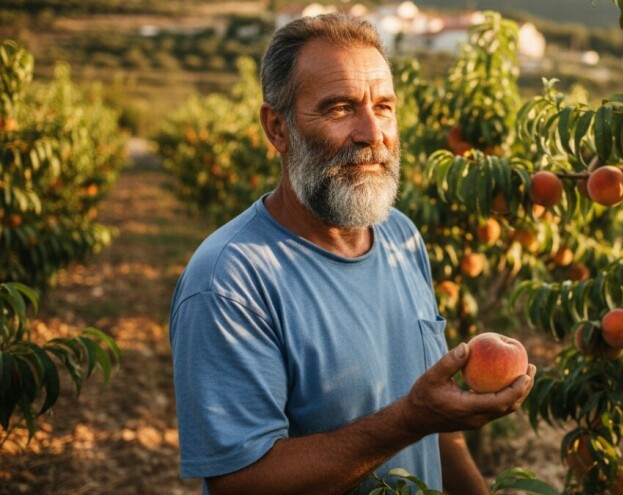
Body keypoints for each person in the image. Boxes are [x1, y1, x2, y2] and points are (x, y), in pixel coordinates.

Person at [168, 13, 536, 495]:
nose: (371, 132)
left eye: (383, 107)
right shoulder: (231, 280)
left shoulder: (402, 237)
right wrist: (409, 419)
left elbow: (434, 418)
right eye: (341, 108)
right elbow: (241, 482)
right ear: (277, 128)